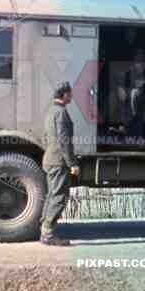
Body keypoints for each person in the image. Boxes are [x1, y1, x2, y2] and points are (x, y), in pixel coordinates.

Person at [40, 81, 80, 246]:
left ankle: (44, 227)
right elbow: (64, 141)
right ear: (64, 95)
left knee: (52, 195)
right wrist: (72, 163)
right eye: (70, 94)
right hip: (58, 162)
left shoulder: (51, 111)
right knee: (59, 196)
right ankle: (48, 233)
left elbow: (46, 137)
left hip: (50, 159)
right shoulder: (61, 113)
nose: (71, 96)